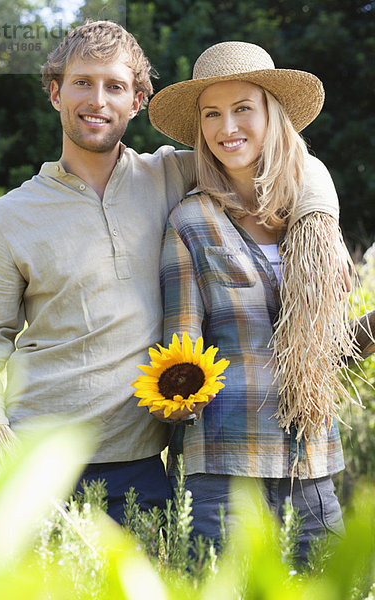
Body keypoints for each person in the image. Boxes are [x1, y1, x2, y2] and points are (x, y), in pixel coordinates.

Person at [0, 22, 363, 524]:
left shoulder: (169, 174)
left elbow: (286, 156)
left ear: (137, 101)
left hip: (140, 464)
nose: (98, 100)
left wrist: (317, 224)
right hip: (40, 457)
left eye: (115, 86)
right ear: (55, 92)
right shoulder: (8, 218)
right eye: (82, 82)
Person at [149, 41, 374, 558]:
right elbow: (179, 355)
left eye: (242, 108)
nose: (227, 127)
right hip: (223, 477)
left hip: (311, 467)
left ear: (271, 115)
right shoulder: (190, 223)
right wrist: (176, 399)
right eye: (212, 114)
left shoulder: (314, 221)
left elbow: (328, 351)